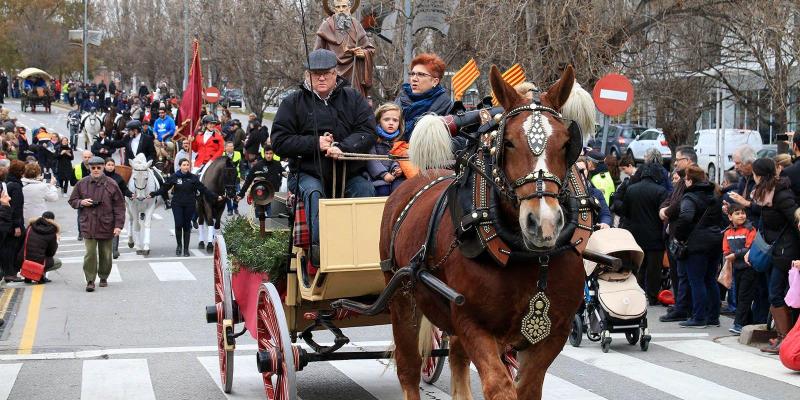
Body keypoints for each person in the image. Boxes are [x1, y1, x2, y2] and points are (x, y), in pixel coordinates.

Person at [271, 48, 376, 265]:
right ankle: (321, 254)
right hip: (307, 172)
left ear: (336, 73)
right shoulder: (292, 103)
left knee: (365, 190)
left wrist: (342, 146)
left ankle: (366, 251)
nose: (321, 77)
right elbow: (280, 142)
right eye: (315, 73)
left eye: (326, 73)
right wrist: (315, 143)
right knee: (314, 193)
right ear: (306, 75)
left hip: (349, 173)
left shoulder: (354, 98)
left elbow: (368, 131)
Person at [742, 158, 798, 353]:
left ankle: (786, 338)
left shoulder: (782, 194)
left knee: (775, 292)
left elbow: (796, 221)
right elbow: (762, 219)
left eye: (755, 174)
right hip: (772, 250)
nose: (753, 178)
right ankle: (783, 337)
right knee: (774, 292)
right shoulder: (765, 194)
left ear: (760, 175)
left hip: (785, 251)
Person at [673, 165, 723, 328]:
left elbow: (686, 218)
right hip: (715, 241)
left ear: (690, 180)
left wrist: (679, 235)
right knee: (710, 279)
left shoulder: (690, 197)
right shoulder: (714, 195)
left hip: (696, 243)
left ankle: (699, 317)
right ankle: (713, 316)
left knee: (696, 281)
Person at [68, 156, 126, 292]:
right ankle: (90, 280)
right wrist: (81, 202)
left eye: (98, 168)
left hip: (106, 224)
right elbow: (72, 200)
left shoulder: (111, 184)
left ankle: (104, 276)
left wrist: (118, 226)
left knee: (106, 253)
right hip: (88, 224)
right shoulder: (82, 183)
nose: (95, 170)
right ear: (89, 168)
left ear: (103, 167)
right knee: (90, 253)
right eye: (93, 168)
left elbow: (119, 206)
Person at [148, 158, 221, 256]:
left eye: (187, 165)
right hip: (177, 204)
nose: (186, 166)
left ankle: (186, 249)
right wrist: (153, 194)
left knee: (186, 227)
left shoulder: (193, 178)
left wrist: (216, 196)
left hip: (189, 204)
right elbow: (164, 188)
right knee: (178, 225)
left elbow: (203, 189)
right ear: (180, 166)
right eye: (184, 165)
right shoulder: (174, 177)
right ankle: (179, 246)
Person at [621, 163, 669, 304]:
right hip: (655, 237)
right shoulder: (660, 191)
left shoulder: (631, 190)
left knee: (639, 267)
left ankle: (638, 293)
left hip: (636, 235)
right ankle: (653, 297)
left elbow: (625, 212)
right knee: (654, 269)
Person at [659, 145, 696, 323]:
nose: (675, 163)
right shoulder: (681, 180)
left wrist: (666, 212)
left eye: (678, 159)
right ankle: (680, 304)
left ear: (688, 161)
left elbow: (682, 203)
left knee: (683, 275)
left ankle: (684, 307)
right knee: (676, 274)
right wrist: (663, 209)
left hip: (683, 235)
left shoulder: (693, 179)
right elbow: (670, 198)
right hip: (672, 233)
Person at [314, 0, 375, 98]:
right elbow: (316, 54)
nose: (341, 10)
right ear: (334, 9)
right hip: (332, 72)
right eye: (338, 7)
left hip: (354, 72)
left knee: (354, 102)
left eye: (343, 6)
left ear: (349, 8)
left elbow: (370, 49)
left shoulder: (356, 25)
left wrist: (363, 53)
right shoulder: (326, 26)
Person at [395, 53, 453, 139]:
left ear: (435, 81)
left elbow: (457, 140)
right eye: (412, 74)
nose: (414, 79)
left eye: (421, 74)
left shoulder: (447, 106)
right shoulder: (399, 101)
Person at [722, 203, 757, 335]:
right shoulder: (727, 232)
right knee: (738, 295)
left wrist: (735, 255)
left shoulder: (750, 229)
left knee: (744, 296)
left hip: (749, 267)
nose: (741, 215)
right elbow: (725, 249)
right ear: (730, 217)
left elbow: (749, 247)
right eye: (737, 213)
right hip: (737, 268)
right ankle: (748, 322)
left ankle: (739, 323)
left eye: (743, 212)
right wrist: (728, 255)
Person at [237, 147, 283, 230]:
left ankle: (271, 240)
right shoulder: (258, 165)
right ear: (264, 154)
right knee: (259, 222)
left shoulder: (277, 165)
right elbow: (248, 180)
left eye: (270, 153)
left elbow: (285, 174)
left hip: (274, 196)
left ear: (273, 154)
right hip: (260, 197)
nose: (269, 156)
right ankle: (260, 239)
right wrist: (241, 193)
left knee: (273, 221)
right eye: (267, 153)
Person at [367, 103, 405, 196]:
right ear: (379, 121)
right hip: (377, 177)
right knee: (383, 190)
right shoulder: (373, 139)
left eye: (395, 120)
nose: (391, 123)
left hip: (394, 177)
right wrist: (384, 174)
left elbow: (398, 158)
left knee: (400, 190)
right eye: (386, 119)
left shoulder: (399, 141)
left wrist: (397, 169)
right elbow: (371, 159)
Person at [18, 211, 61, 284]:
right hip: (38, 263)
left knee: (32, 254)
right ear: (53, 220)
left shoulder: (30, 227)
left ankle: (28, 276)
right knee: (58, 262)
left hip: (22, 260)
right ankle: (39, 275)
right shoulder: (52, 231)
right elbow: (51, 253)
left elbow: (21, 243)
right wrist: (57, 241)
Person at [104, 158, 134, 259]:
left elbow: (124, 189)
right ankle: (105, 248)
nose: (110, 167)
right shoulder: (100, 177)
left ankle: (114, 249)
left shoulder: (118, 178)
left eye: (112, 165)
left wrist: (131, 194)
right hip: (102, 206)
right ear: (104, 165)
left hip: (115, 205)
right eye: (108, 165)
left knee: (115, 226)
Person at [2, 160, 25, 282]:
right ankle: (10, 273)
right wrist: (17, 226)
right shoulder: (16, 186)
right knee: (12, 248)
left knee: (8, 247)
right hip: (13, 223)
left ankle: (8, 272)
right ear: (20, 172)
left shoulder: (8, 183)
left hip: (6, 221)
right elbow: (16, 207)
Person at [576, 156, 612, 229]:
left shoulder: (597, 193)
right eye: (577, 170)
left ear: (587, 170)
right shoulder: (565, 193)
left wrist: (604, 223)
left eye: (583, 170)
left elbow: (605, 214)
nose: (581, 173)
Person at [223, 142, 242, 216]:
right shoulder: (223, 155)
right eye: (229, 146)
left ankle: (235, 207)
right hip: (226, 177)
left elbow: (241, 165)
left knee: (237, 193)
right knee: (227, 193)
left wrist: (242, 175)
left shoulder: (238, 154)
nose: (231, 148)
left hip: (236, 176)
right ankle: (229, 209)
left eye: (232, 146)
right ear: (226, 148)